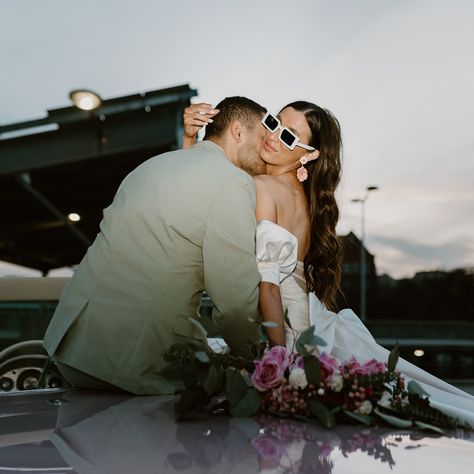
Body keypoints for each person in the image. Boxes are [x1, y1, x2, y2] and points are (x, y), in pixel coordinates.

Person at [184, 100, 474, 425]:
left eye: (290, 137)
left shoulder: (263, 188)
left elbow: (269, 286)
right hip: (309, 323)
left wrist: (281, 365)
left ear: (307, 154)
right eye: (274, 122)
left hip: (288, 333)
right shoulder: (301, 201)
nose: (274, 136)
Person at [43, 96, 267, 395]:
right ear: (238, 131)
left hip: (73, 343)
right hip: (136, 360)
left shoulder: (152, 164)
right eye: (263, 136)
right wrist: (258, 364)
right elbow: (236, 303)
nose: (267, 147)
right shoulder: (233, 182)